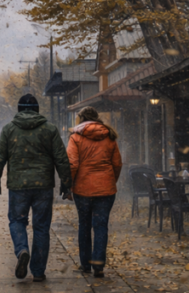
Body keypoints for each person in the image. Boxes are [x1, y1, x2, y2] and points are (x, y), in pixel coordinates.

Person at [0, 94, 72, 282]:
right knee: (42, 227)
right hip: (43, 186)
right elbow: (61, 158)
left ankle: (22, 250)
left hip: (18, 186)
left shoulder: (9, 130)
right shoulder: (49, 130)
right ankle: (38, 271)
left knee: (17, 221)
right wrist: (66, 183)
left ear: (19, 109)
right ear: (37, 110)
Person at [66, 106, 123, 278]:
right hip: (105, 190)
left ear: (81, 119)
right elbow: (117, 164)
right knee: (101, 226)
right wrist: (111, 181)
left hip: (82, 189)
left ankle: (85, 265)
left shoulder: (76, 137)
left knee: (84, 225)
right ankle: (98, 265)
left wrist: (69, 185)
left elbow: (72, 164)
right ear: (96, 118)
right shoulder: (109, 136)